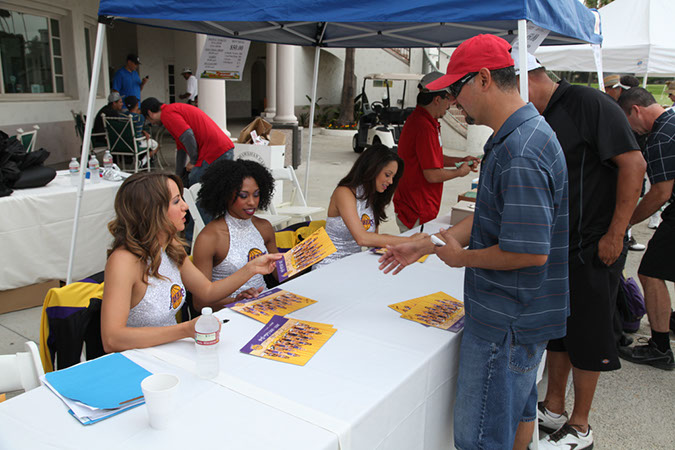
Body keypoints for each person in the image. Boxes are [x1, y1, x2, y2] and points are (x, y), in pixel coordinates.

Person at [379, 34, 569, 450]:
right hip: (516, 316)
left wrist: (461, 258)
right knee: (516, 416)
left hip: (507, 322)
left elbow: (529, 251)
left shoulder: (520, 149)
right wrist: (429, 244)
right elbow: (491, 216)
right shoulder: (517, 134)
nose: (454, 100)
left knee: (480, 438)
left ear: (483, 79)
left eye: (457, 88)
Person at [520, 54, 646, 450]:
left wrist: (617, 232)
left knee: (588, 336)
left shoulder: (590, 103)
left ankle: (581, 425)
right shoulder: (540, 115)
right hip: (561, 246)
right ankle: (554, 407)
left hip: (596, 244)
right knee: (560, 333)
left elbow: (634, 164)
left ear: (526, 79)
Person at [100, 172, 281, 353]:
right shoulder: (123, 262)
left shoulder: (170, 246)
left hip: (172, 350)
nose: (185, 206)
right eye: (176, 201)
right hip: (138, 360)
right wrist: (185, 329)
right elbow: (112, 339)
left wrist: (251, 269)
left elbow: (207, 291)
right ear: (152, 210)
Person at [617, 87, 675, 370]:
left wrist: (627, 220)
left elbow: (661, 193)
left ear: (636, 111)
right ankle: (669, 320)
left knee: (650, 272)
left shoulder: (660, 136)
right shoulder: (673, 121)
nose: (633, 131)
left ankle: (660, 348)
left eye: (629, 123)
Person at [314, 145, 427, 269]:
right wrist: (410, 241)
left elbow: (374, 240)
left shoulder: (373, 196)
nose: (390, 182)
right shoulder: (344, 193)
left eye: (393, 177)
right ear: (372, 168)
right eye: (387, 175)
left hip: (353, 263)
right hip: (330, 266)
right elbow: (362, 238)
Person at [393, 72, 479, 232]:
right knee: (417, 255)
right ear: (437, 99)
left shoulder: (426, 122)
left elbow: (433, 158)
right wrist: (459, 172)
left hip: (417, 205)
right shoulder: (423, 126)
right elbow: (431, 175)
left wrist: (460, 160)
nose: (450, 105)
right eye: (449, 100)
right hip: (416, 209)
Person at [192, 159, 279, 309]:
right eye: (243, 196)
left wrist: (306, 258)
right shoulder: (209, 238)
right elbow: (200, 304)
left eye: (256, 194)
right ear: (225, 195)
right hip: (228, 315)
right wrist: (236, 300)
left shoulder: (264, 227)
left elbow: (280, 275)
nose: (252, 202)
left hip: (265, 306)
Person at [140, 97, 234, 187]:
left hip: (215, 151)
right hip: (221, 148)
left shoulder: (167, 114)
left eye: (148, 120)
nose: (152, 123)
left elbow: (187, 135)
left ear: (150, 113)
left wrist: (193, 161)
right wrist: (178, 177)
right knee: (215, 186)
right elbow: (181, 149)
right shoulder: (172, 110)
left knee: (195, 182)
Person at [123, 95, 159, 166]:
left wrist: (143, 131)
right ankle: (143, 162)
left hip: (122, 143)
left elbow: (130, 129)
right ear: (137, 104)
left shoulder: (122, 115)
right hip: (135, 144)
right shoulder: (139, 117)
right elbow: (138, 132)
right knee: (156, 145)